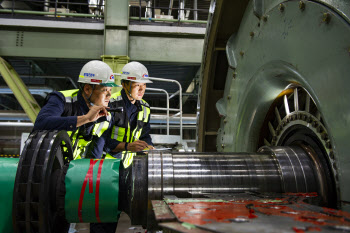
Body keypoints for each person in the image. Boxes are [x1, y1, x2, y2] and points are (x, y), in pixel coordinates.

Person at [89, 61, 154, 233]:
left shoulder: (145, 109)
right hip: (106, 168)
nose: (141, 90)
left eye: (144, 86)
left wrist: (148, 146)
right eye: (137, 86)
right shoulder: (111, 105)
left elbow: (145, 134)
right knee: (105, 217)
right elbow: (101, 139)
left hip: (128, 170)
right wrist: (126, 146)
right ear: (124, 85)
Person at [33, 60, 118, 160]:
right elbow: (41, 123)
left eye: (110, 90)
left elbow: (95, 153)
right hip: (42, 164)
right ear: (87, 89)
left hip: (69, 168)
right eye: (104, 90)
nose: (109, 95)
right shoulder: (62, 100)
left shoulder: (105, 116)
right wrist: (85, 118)